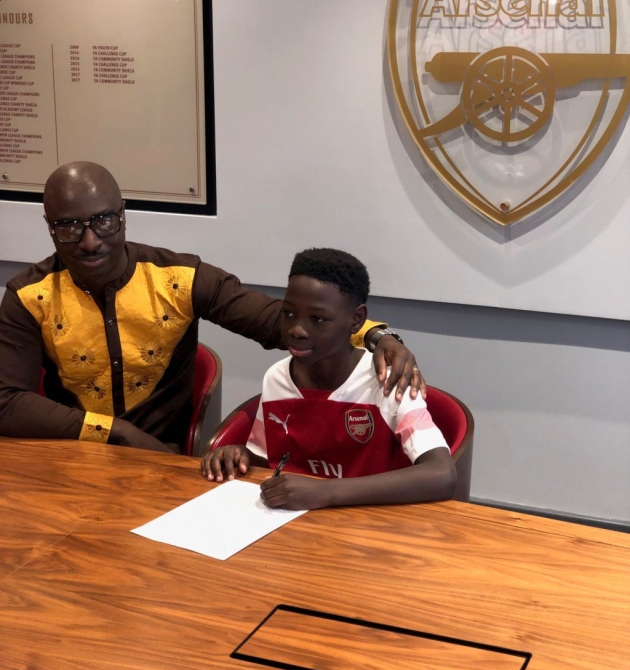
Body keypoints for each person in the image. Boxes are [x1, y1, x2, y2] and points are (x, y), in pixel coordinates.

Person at [0, 162, 424, 452]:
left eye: (103, 221)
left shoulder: (180, 278)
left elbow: (279, 323)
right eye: (69, 226)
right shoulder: (27, 296)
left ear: (124, 216)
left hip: (159, 459)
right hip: (69, 455)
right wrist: (114, 433)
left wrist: (375, 334)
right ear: (49, 227)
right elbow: (7, 401)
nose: (90, 241)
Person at [201, 248, 456, 509]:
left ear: (356, 320)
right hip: (296, 525)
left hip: (372, 524)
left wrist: (325, 492)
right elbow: (263, 460)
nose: (297, 329)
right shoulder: (277, 377)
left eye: (318, 319)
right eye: (288, 313)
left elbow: (442, 475)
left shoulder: (387, 382)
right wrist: (238, 455)